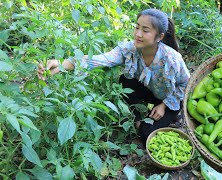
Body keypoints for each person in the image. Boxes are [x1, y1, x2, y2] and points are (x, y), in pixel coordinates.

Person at [37, 8, 190, 143]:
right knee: (125, 80)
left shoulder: (173, 59)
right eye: (137, 27)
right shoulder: (129, 50)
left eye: (145, 30)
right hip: (151, 92)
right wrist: (61, 64)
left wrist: (163, 105)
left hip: (170, 98)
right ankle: (136, 118)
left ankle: (170, 115)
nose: (138, 34)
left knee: (146, 134)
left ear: (160, 36)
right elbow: (99, 60)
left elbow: (186, 84)